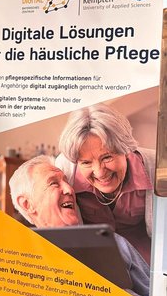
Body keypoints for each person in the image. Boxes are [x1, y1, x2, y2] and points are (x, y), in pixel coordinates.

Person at [10, 155, 150, 296]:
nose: (69, 189)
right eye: (54, 183)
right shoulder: (18, 260)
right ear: (27, 204)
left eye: (66, 181)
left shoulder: (114, 243)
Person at [56, 104, 155, 265]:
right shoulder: (64, 171)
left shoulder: (156, 167)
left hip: (145, 263)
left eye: (107, 157)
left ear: (126, 150)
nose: (100, 172)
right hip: (94, 264)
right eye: (86, 162)